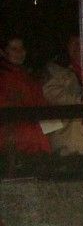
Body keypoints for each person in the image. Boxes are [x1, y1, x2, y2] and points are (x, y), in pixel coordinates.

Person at [0, 33, 52, 163]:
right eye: (14, 49)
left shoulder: (27, 75)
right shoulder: (4, 77)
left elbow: (40, 101)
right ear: (3, 52)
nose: (19, 53)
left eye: (22, 48)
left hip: (31, 126)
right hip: (13, 131)